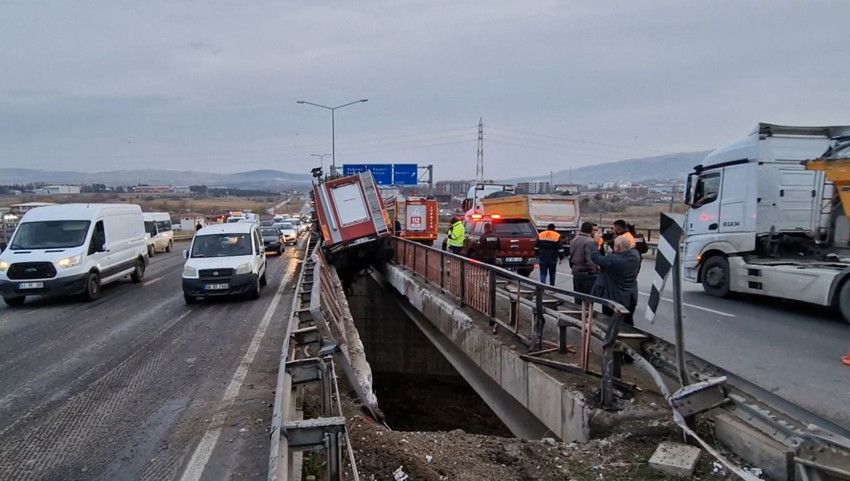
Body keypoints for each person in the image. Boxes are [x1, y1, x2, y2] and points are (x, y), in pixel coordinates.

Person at [590, 234, 641, 325]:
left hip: (615, 298)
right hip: (631, 297)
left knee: (611, 323)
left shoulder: (613, 260)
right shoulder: (635, 255)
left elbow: (595, 257)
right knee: (628, 322)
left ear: (618, 247)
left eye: (614, 245)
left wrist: (595, 243)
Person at [569, 222, 598, 295]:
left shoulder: (574, 239)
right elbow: (590, 259)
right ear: (590, 230)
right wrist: (594, 271)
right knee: (588, 297)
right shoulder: (590, 241)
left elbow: (571, 255)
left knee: (577, 295)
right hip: (586, 272)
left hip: (576, 271)